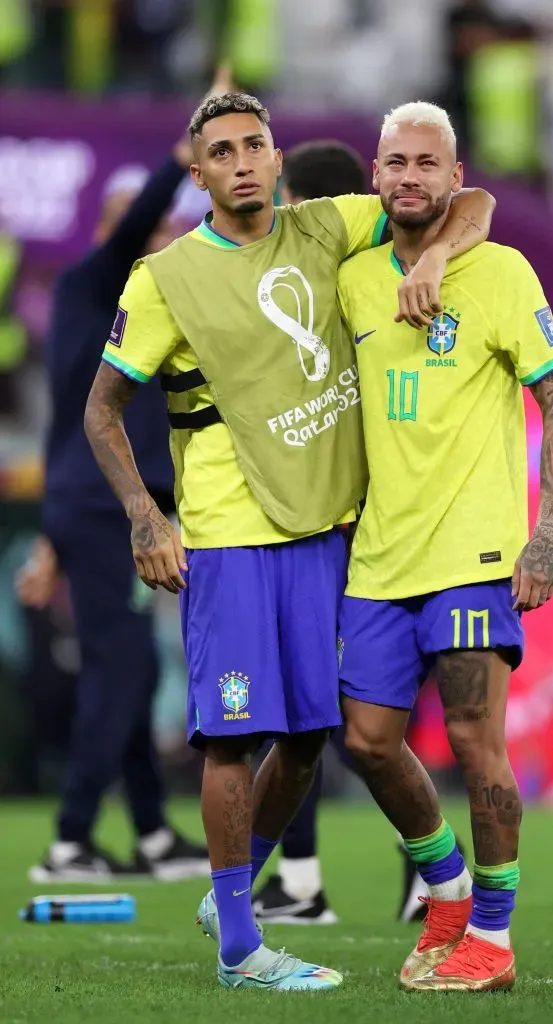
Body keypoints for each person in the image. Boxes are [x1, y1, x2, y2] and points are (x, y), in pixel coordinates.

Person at [83, 91, 495, 993]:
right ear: (198, 176)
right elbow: (101, 408)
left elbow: (473, 205)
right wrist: (147, 521)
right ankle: (240, 944)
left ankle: (232, 897)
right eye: (221, 150)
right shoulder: (165, 279)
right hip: (229, 540)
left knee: (311, 736)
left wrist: (435, 261)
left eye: (254, 145)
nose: (240, 161)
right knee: (233, 739)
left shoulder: (325, 228)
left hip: (323, 533)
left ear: (278, 160)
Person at [335, 101, 553, 992]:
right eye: (394, 162)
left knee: (477, 739)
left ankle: (494, 936)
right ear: (375, 174)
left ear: (454, 176)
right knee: (365, 741)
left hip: (475, 552)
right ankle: (446, 884)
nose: (409, 177)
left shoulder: (504, 273)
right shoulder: (350, 279)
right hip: (379, 557)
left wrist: (544, 533)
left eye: (426, 164)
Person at [13, 72, 240, 881]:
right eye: (147, 223)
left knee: (130, 664)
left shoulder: (152, 309)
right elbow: (137, 225)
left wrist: (48, 539)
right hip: (104, 507)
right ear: (115, 225)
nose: (161, 233)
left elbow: (64, 424)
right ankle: (72, 838)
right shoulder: (90, 282)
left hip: (98, 506)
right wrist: (186, 156)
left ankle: (147, 831)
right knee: (126, 665)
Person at [256, 138, 445, 927]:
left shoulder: (356, 283)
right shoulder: (344, 286)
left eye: (289, 198)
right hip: (372, 526)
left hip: (348, 532)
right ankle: (347, 876)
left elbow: (473, 205)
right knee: (350, 714)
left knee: (322, 710)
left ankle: (308, 882)